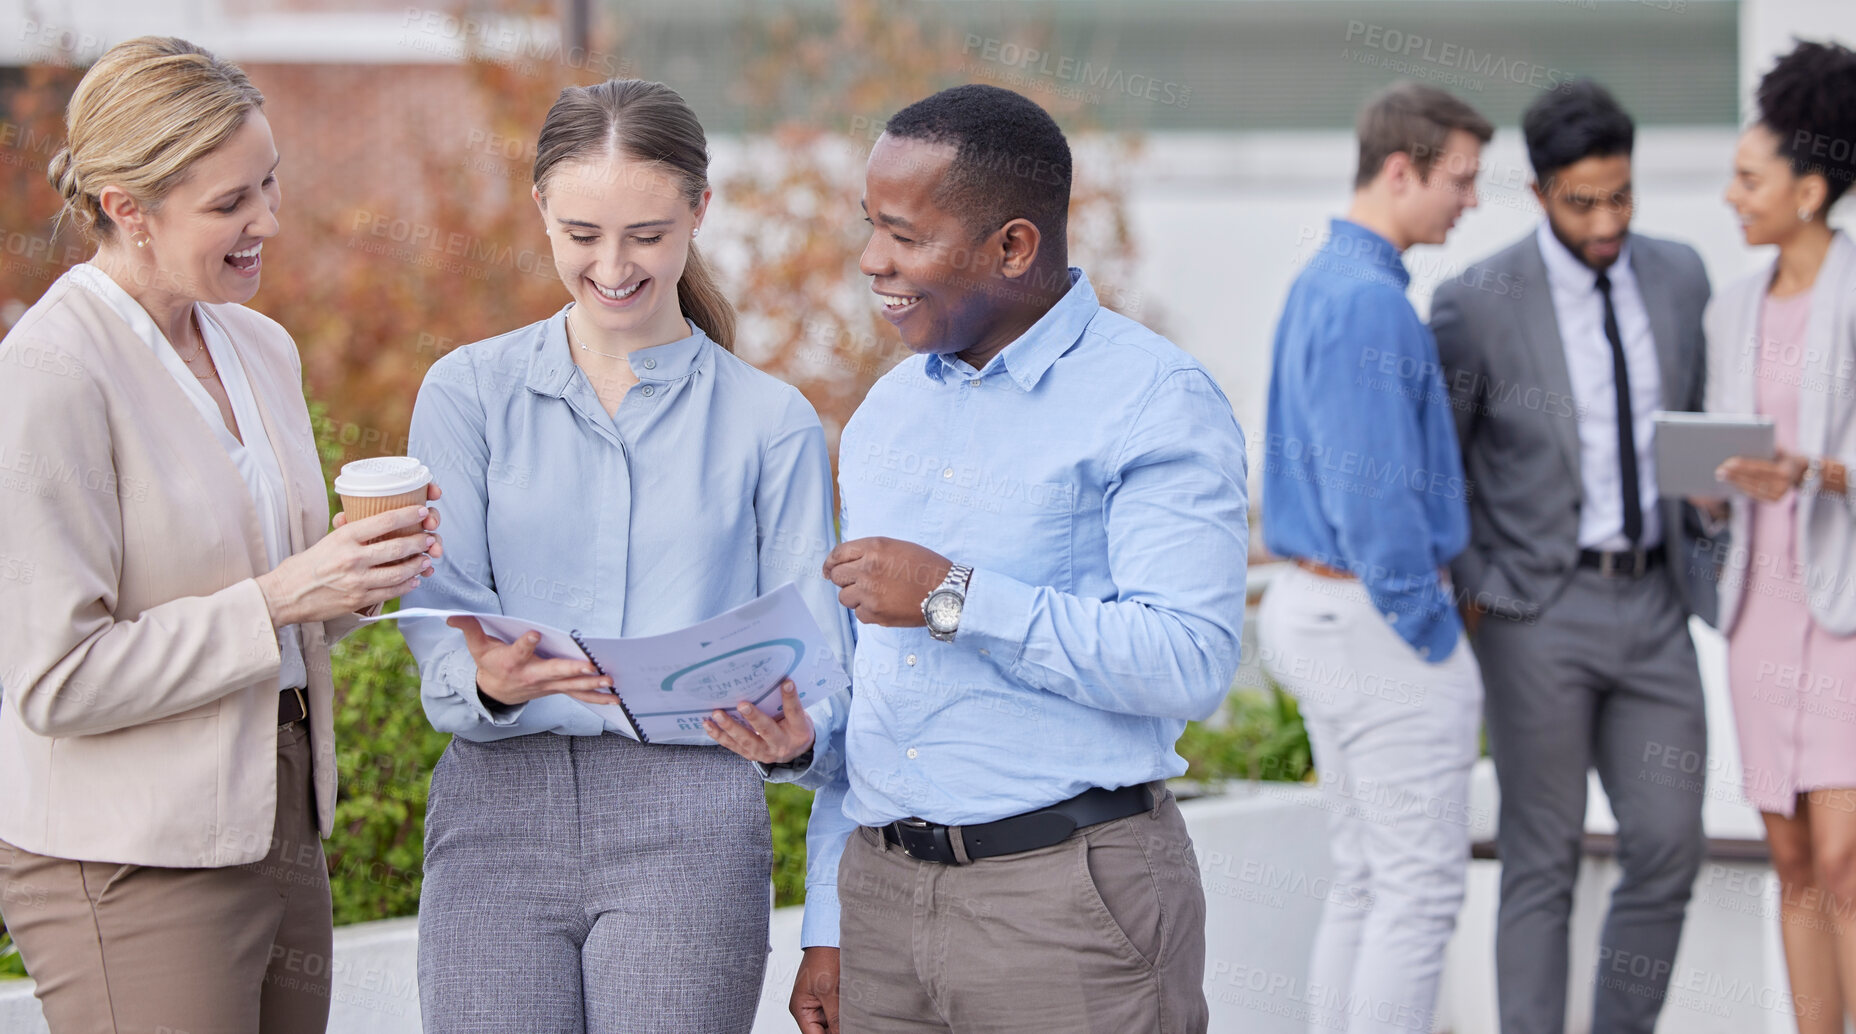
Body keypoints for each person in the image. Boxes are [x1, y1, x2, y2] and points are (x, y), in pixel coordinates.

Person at [706, 83, 1248, 1034]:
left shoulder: (1154, 398)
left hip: (1068, 908)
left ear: (1013, 247)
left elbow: (1191, 660)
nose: (873, 261)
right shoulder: (887, 412)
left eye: (906, 236)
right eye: (871, 227)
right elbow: (878, 697)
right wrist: (803, 759)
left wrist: (956, 597)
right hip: (880, 906)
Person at [0, 36, 443, 1034]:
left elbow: (280, 604)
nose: (269, 223)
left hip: (278, 821)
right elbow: (55, 677)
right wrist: (288, 593)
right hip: (130, 855)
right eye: (231, 203)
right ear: (127, 208)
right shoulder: (49, 375)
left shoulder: (258, 343)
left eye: (270, 186)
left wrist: (359, 578)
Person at [397, 78, 849, 1034]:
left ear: (699, 212)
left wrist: (799, 738)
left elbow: (824, 659)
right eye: (582, 234)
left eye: (647, 234)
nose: (613, 265)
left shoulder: (771, 423)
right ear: (541, 215)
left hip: (690, 812)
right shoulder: (467, 392)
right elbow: (440, 617)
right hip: (495, 812)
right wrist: (489, 682)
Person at [1430, 79, 1715, 1034]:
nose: (1607, 220)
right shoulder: (1476, 301)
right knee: (1540, 858)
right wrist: (1477, 590)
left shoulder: (1680, 276)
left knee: (1670, 841)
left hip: (1655, 603)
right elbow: (1447, 462)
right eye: (1584, 200)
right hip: (1534, 614)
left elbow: (1694, 419)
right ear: (1543, 190)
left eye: (1622, 196)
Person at [1254, 81, 1489, 1034]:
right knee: (1417, 895)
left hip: (1328, 612)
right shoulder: (1367, 304)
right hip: (1377, 624)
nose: (1470, 201)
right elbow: (1373, 497)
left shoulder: (1331, 282)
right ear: (1402, 170)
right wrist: (1431, 629)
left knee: (1366, 883)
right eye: (1461, 180)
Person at [1704, 41, 1856, 1034]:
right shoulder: (1733, 305)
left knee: (1849, 862)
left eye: (1749, 179)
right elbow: (1728, 445)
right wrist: (1715, 486)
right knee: (1792, 862)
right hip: (1764, 610)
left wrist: (1816, 470)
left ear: (1807, 189)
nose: (1729, 196)